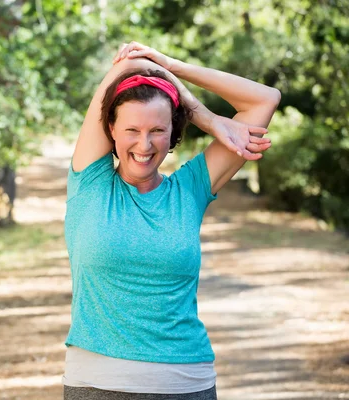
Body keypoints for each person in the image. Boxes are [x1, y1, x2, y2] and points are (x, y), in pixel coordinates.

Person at [62, 41, 281, 400]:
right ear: (111, 130)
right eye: (132, 130)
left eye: (158, 130)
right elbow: (124, 67)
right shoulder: (89, 183)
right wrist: (207, 117)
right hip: (96, 384)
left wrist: (173, 66)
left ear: (174, 132)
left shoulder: (189, 189)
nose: (144, 145)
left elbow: (265, 99)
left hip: (186, 384)